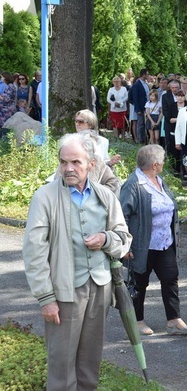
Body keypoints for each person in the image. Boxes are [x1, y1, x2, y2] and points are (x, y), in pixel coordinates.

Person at [23, 132, 132, 390]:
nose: (68, 168)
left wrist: (106, 239)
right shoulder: (45, 197)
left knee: (90, 363)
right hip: (64, 292)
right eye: (64, 162)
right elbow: (34, 251)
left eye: (76, 162)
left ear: (91, 164)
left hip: (101, 288)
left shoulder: (105, 195)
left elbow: (124, 238)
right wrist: (46, 298)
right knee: (61, 365)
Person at [120, 144, 187, 336]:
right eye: (161, 161)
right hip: (141, 245)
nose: (163, 163)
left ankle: (174, 320)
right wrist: (125, 245)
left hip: (164, 243)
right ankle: (137, 321)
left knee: (170, 279)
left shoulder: (159, 180)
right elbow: (122, 216)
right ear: (155, 164)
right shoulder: (134, 185)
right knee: (139, 283)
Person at [107, 76, 129, 140]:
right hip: (114, 110)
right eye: (115, 82)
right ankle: (116, 138)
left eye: (118, 81)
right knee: (115, 124)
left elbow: (126, 97)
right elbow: (108, 99)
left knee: (122, 124)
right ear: (113, 82)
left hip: (122, 109)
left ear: (120, 82)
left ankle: (123, 137)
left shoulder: (124, 89)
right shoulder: (111, 89)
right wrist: (114, 103)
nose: (116, 83)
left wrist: (120, 102)